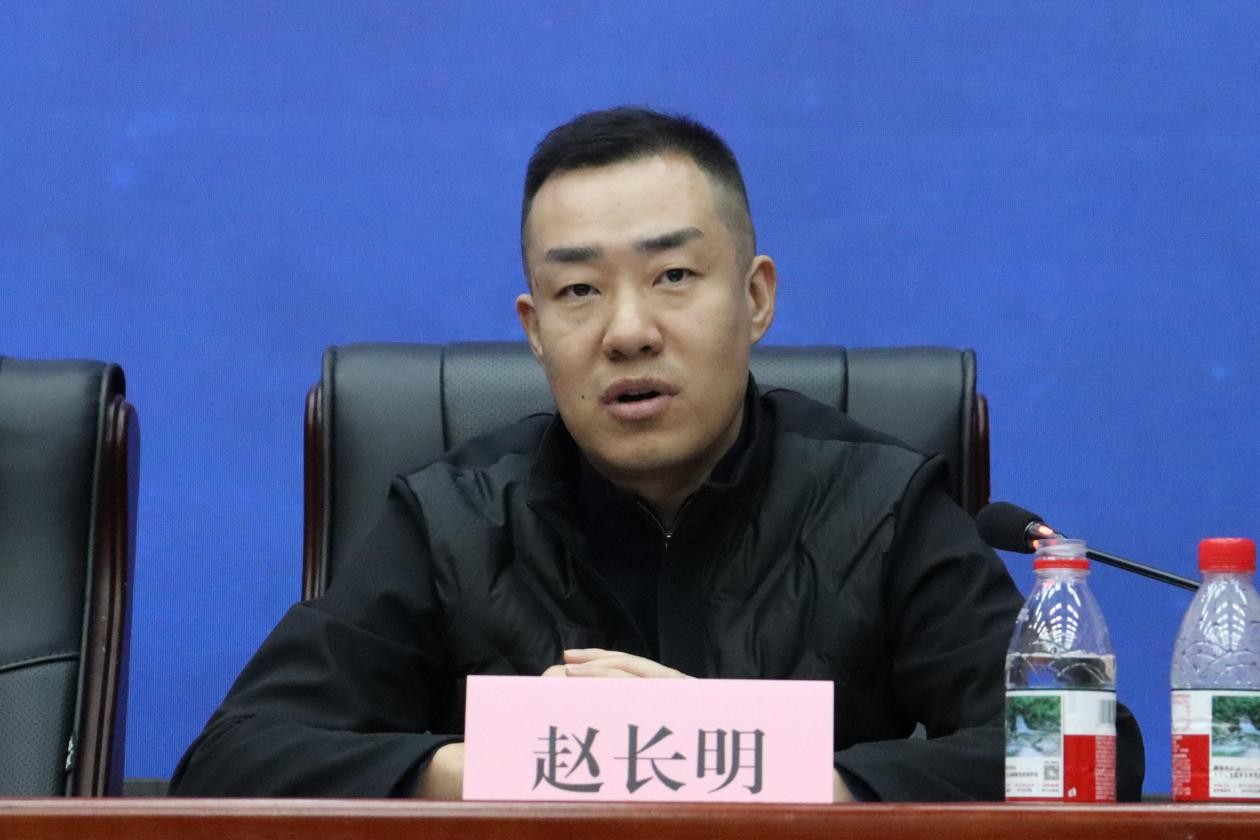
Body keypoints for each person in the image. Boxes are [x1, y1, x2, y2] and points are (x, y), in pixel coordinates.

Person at [171, 106, 1142, 801]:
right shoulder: (453, 518)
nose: (628, 331)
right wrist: (513, 765)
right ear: (534, 329)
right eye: (579, 291)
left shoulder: (880, 503)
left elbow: (1091, 747)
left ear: (755, 298)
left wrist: (742, 763)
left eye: (674, 275)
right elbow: (227, 762)